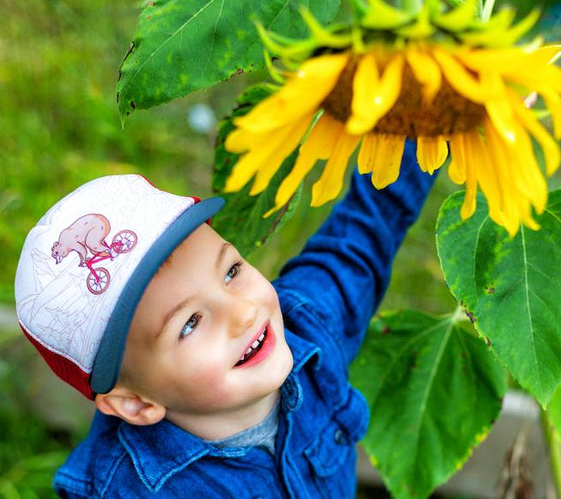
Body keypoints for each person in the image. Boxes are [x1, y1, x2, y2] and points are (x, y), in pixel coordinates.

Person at [14, 140, 435, 498]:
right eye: (190, 323)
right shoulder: (126, 489)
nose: (243, 312)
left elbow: (365, 233)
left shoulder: (309, 323)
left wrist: (426, 124)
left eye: (231, 271)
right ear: (135, 403)